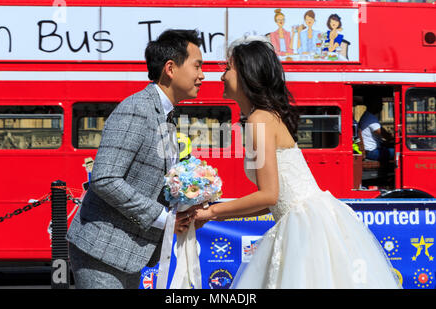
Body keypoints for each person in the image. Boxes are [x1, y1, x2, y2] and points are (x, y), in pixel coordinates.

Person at [191, 37, 401, 288]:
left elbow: (269, 195)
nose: (221, 76)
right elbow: (275, 200)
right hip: (306, 220)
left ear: (247, 74)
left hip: (303, 227)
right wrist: (214, 214)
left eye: (227, 68)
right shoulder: (263, 117)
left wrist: (212, 211)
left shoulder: (259, 120)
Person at [66, 29, 205, 289]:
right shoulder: (137, 109)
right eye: (197, 66)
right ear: (171, 69)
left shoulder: (166, 115)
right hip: (101, 250)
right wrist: (164, 218)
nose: (202, 75)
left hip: (127, 252)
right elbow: (105, 178)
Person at [358, 95, 394, 162]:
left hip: (371, 150)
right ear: (374, 105)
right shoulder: (371, 119)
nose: (382, 106)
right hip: (371, 152)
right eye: (380, 104)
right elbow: (386, 135)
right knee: (398, 151)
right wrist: (395, 136)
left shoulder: (368, 116)